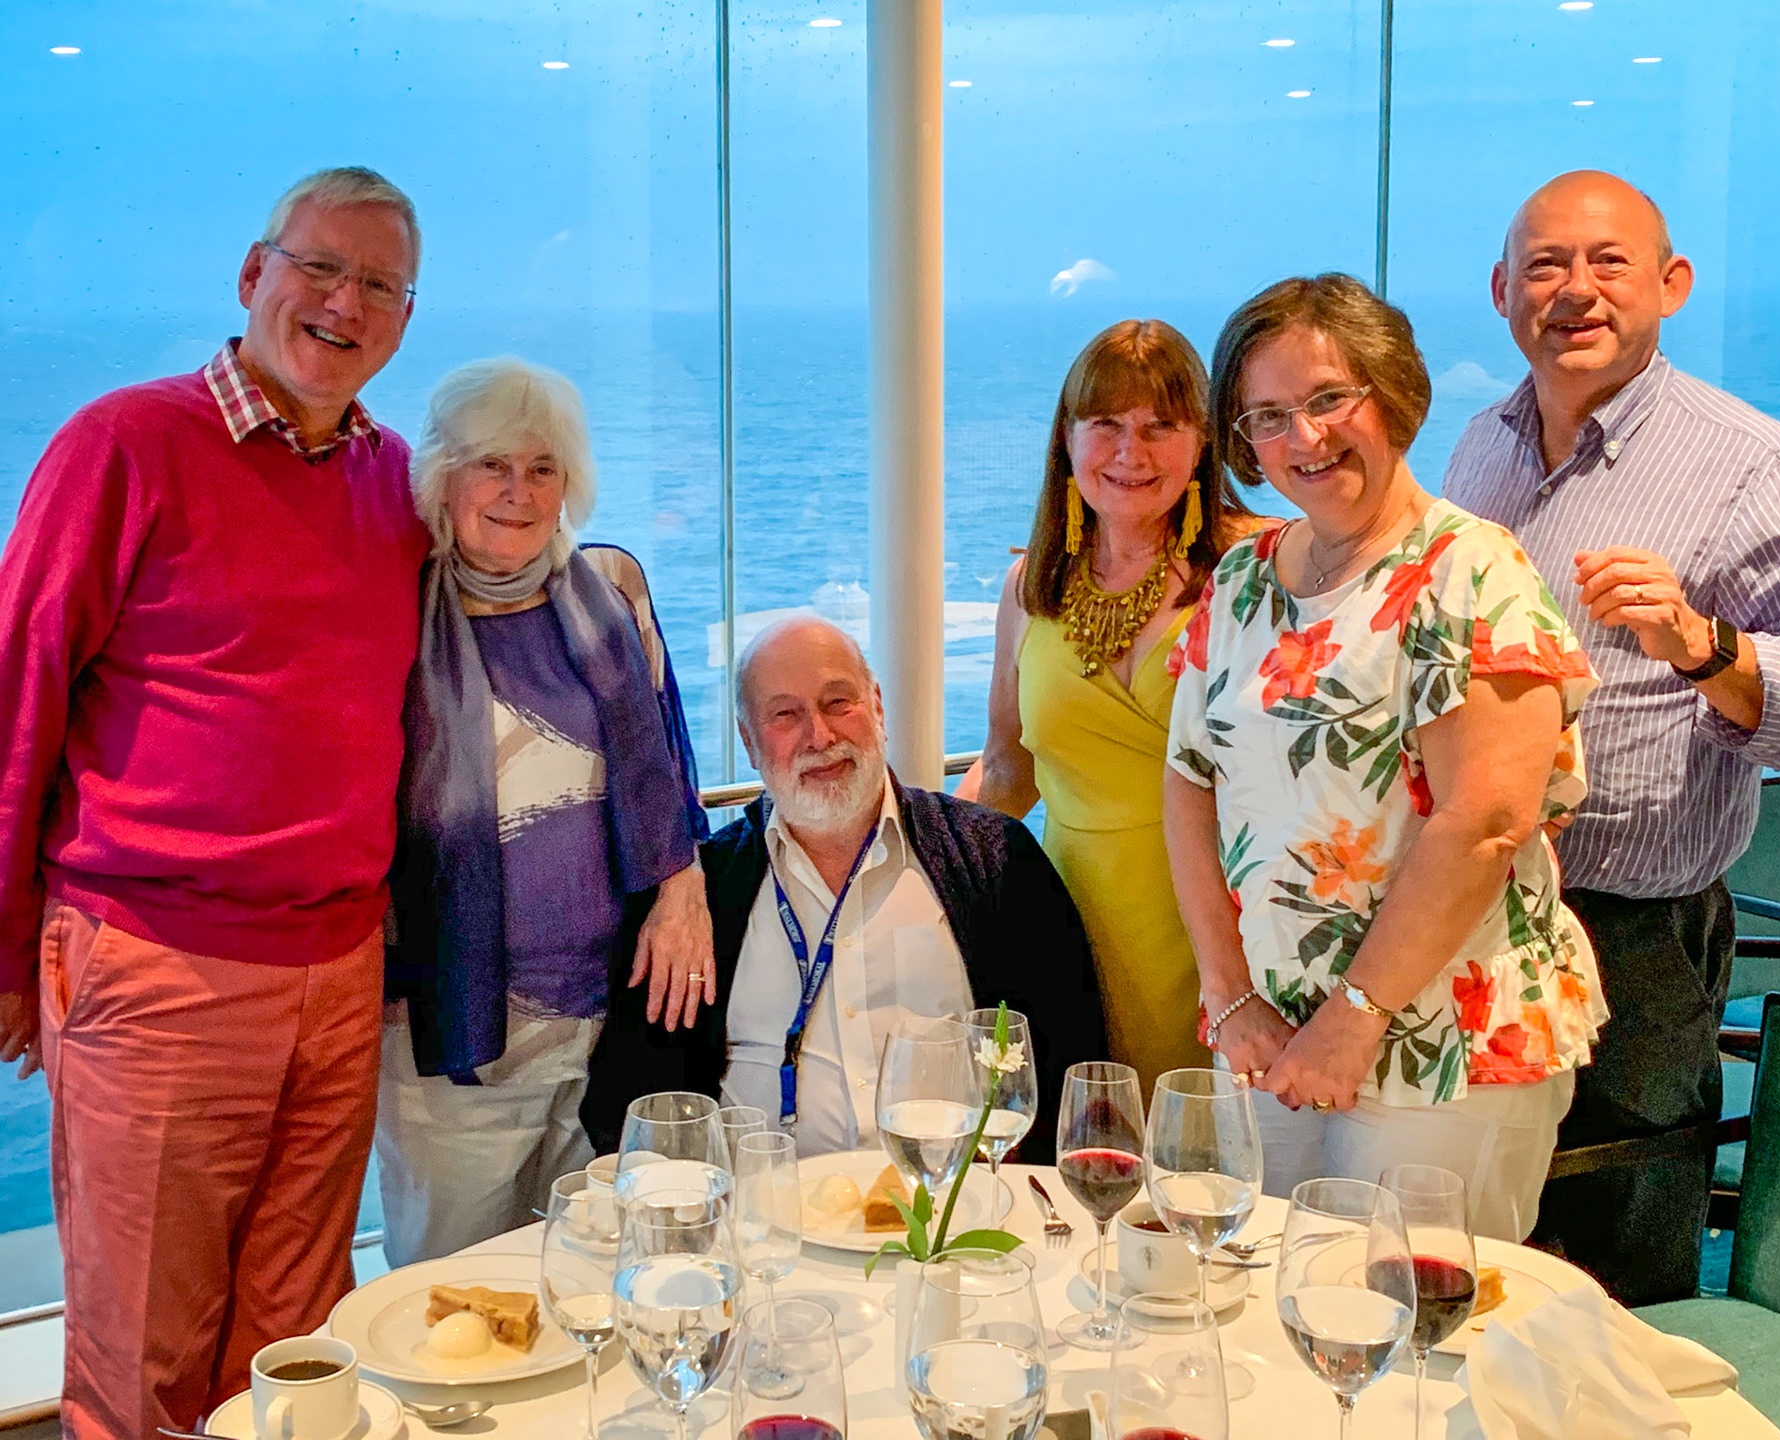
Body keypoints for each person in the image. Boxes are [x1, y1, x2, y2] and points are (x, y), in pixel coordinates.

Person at [0, 167, 427, 1439]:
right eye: (320, 267)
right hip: (156, 971)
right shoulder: (124, 445)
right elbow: (17, 697)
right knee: (141, 1362)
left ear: (406, 319)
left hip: (343, 971)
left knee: (298, 1357)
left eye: (380, 284)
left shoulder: (396, 481)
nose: (345, 303)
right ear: (253, 276)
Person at [1443, 171, 1780, 1300]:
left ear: (1671, 284)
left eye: (1609, 262)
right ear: (1501, 290)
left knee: (1616, 1259)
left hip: (1633, 939)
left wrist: (1700, 643)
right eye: (1545, 265)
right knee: (1478, 1245)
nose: (1574, 290)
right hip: (1472, 911)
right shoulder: (1480, 449)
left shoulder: (1750, 462)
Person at [1163, 273, 1607, 1243]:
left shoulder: (1470, 569)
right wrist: (1229, 996)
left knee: (1414, 1318)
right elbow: (1189, 779)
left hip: (1444, 1048)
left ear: (1394, 392)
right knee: (1263, 1301)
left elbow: (1486, 823)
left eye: (1330, 398)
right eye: (1268, 416)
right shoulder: (1240, 580)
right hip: (1274, 1037)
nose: (1305, 437)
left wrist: (1350, 1022)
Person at [378, 358, 710, 1265]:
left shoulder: (613, 591)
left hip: (608, 1019)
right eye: (492, 465)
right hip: (453, 1032)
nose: (518, 493)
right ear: (442, 476)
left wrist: (683, 894)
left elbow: (670, 767)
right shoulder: (394, 611)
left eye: (542, 467)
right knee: (454, 1284)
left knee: (605, 1272)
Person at [581, 616, 1107, 1162]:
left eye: (838, 703)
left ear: (877, 707)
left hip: (952, 1204)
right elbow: (633, 1103)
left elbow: (1072, 1064)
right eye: (785, 714)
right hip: (761, 1206)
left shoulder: (995, 859)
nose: (820, 736)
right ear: (749, 740)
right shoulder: (698, 902)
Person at [964, 319, 1254, 1096]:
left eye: (1161, 426)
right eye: (1107, 425)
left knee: (1213, 1151)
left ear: (1203, 441)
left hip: (1224, 934)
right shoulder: (1028, 588)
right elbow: (1006, 771)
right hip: (1068, 923)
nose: (1132, 452)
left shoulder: (1254, 574)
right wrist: (924, 867)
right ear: (1067, 438)